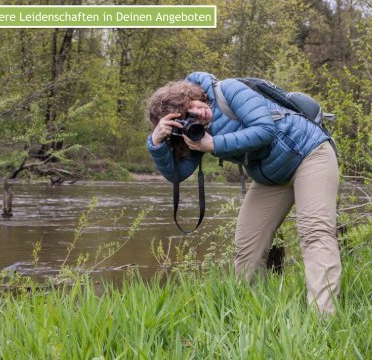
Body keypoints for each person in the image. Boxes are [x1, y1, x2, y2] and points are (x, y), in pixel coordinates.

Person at [146, 71, 341, 315]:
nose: (196, 115)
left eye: (192, 107)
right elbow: (178, 173)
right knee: (248, 245)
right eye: (186, 117)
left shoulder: (229, 90)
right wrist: (156, 143)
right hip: (272, 175)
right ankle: (255, 315)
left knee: (315, 232)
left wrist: (213, 144)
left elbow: (264, 129)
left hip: (310, 153)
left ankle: (323, 318)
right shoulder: (194, 130)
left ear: (193, 95)